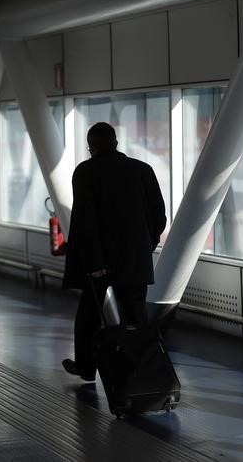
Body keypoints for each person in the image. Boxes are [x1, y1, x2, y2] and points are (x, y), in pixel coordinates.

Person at [61, 122, 166, 381]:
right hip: (135, 258)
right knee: (135, 316)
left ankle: (86, 367)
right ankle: (141, 369)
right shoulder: (143, 170)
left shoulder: (85, 172)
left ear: (91, 147)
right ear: (116, 142)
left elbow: (85, 221)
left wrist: (94, 262)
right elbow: (159, 215)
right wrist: (146, 245)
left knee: (90, 313)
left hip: (101, 260)